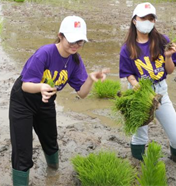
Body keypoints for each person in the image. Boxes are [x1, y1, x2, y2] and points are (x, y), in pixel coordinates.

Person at [9, 15, 109, 186]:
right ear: (61, 36)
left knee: (50, 141)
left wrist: (91, 78)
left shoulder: (75, 60)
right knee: (23, 151)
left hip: (46, 101)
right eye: (71, 40)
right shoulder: (45, 53)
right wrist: (41, 87)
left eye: (80, 41)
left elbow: (82, 93)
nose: (76, 45)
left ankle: (53, 173)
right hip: (23, 101)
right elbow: (26, 85)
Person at [119, 2, 176, 163]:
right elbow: (128, 74)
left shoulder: (163, 40)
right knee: (139, 136)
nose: (147, 22)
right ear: (134, 20)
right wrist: (135, 85)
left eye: (151, 18)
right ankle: (138, 165)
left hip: (161, 92)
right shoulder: (128, 48)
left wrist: (168, 56)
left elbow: (169, 71)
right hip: (139, 93)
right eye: (143, 18)